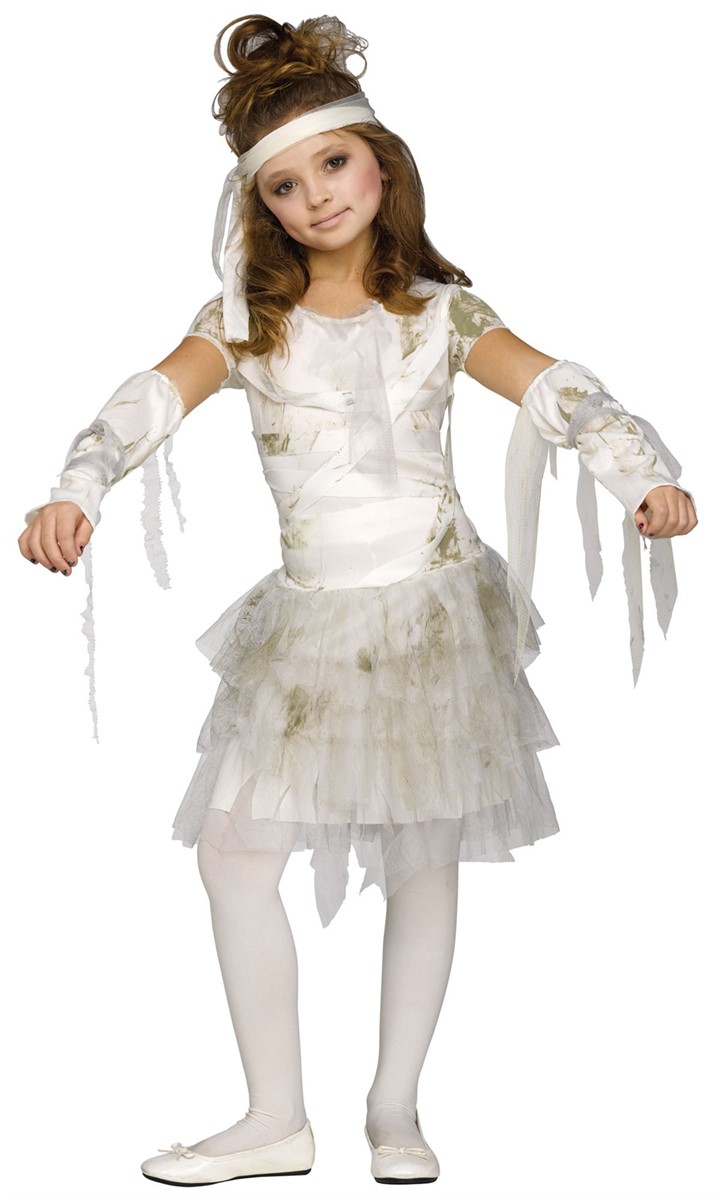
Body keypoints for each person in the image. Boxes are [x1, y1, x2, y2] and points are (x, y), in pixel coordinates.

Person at [17, 13, 697, 1189]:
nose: (315, 198)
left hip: (427, 617)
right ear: (258, 207)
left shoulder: (440, 312)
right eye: (283, 186)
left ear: (381, 161)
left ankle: (394, 1106)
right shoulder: (246, 324)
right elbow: (146, 401)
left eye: (332, 163)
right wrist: (75, 487)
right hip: (311, 624)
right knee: (235, 851)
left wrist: (640, 475)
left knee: (421, 853)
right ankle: (275, 1116)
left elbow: (559, 390)